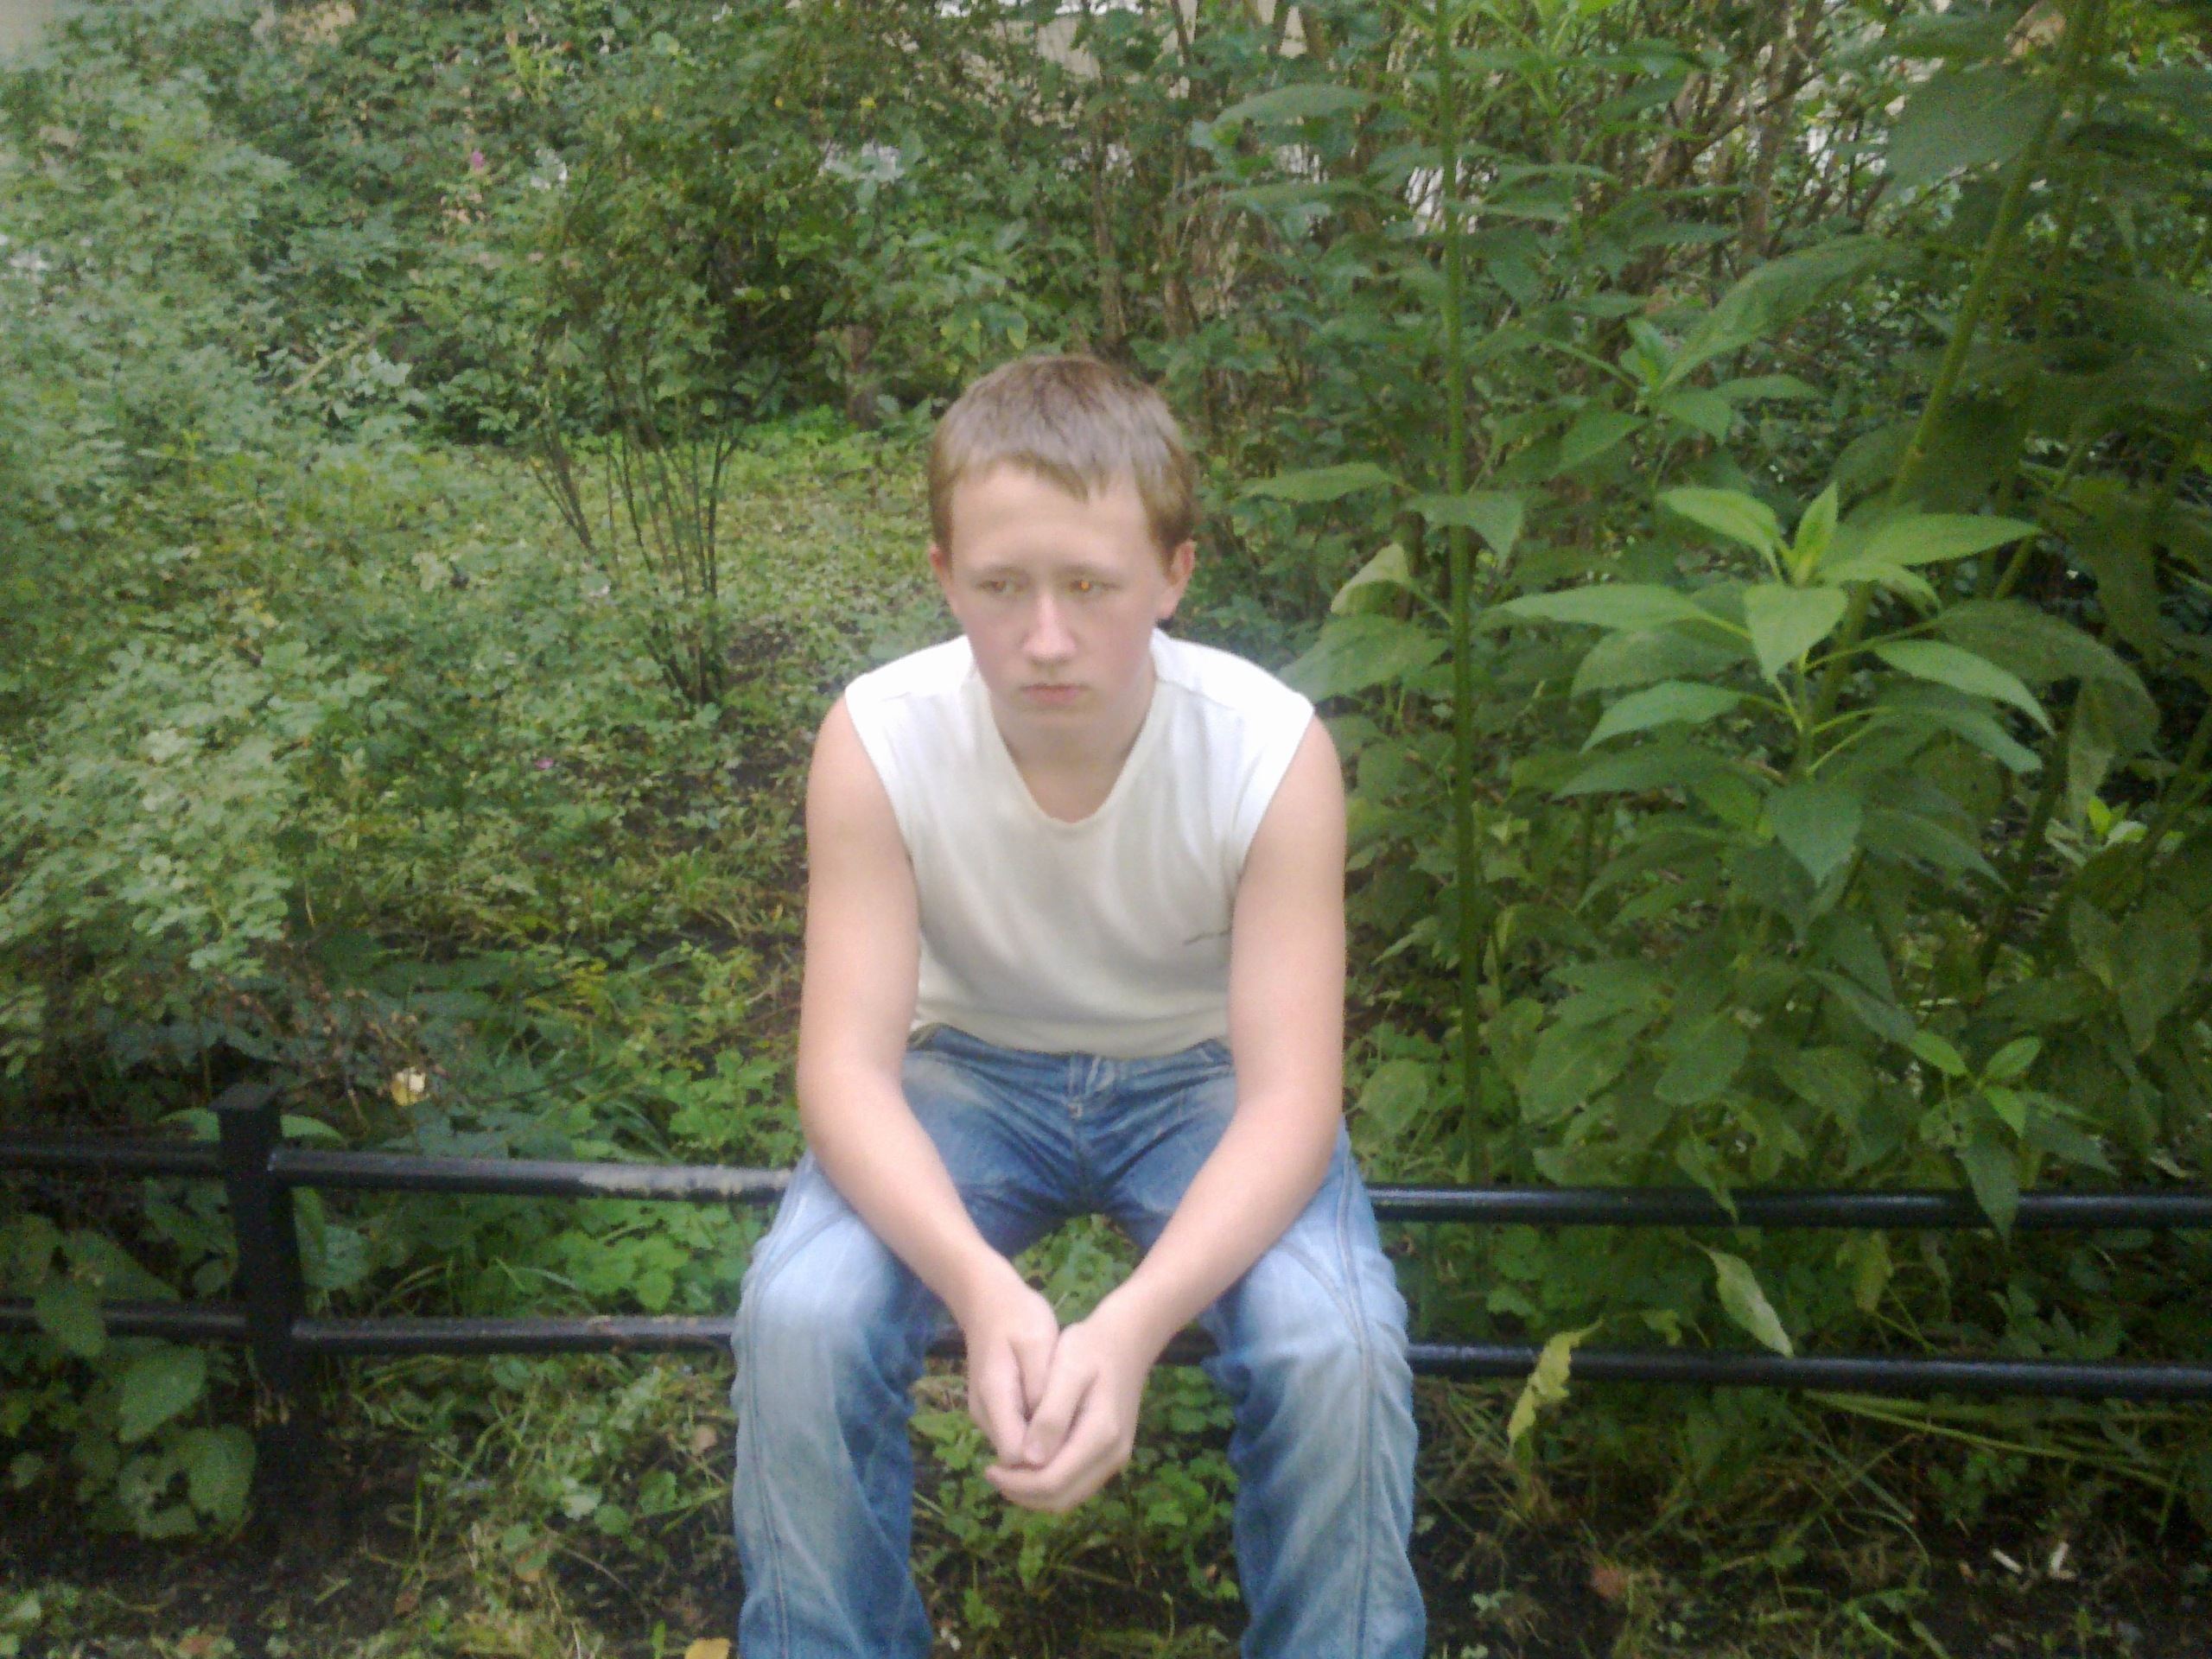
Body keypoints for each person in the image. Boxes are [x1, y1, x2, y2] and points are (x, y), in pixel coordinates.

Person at [729, 354, 1423, 1659]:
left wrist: (1133, 1323)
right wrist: (981, 1289)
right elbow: (844, 1074)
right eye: (1002, 587)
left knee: (1335, 1346)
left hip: (1206, 1084)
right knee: (800, 1316)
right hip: (964, 1076)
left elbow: (1290, 1100)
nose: (1046, 638)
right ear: (944, 576)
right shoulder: (878, 738)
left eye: (1092, 586)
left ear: (1174, 573)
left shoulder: (1270, 750)